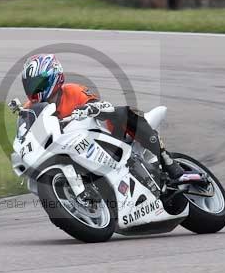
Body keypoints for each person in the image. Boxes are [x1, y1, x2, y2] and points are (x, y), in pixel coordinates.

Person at [13, 53, 185, 180]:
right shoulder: (30, 109)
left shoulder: (73, 91)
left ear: (54, 76)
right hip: (71, 151)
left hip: (106, 137)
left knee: (123, 113)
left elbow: (98, 104)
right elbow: (25, 135)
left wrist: (90, 108)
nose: (34, 90)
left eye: (38, 84)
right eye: (30, 86)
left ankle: (166, 158)